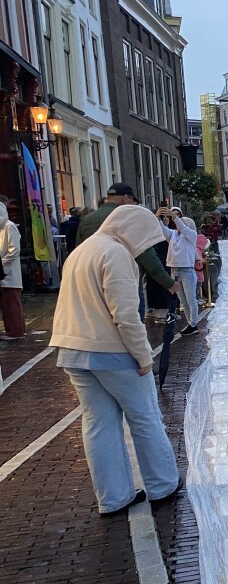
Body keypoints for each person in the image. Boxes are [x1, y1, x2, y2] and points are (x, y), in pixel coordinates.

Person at [49, 204, 181, 515]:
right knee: (145, 416)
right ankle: (163, 484)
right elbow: (125, 315)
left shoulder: (81, 252)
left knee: (98, 423)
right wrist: (143, 356)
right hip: (111, 350)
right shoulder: (116, 253)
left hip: (73, 348)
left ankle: (113, 497)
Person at [78, 184, 177, 316]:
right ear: (125, 198)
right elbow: (146, 254)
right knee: (132, 326)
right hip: (126, 282)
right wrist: (169, 283)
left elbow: (78, 252)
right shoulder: (130, 219)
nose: (133, 205)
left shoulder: (87, 219)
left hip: (96, 283)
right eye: (132, 200)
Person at [158, 206, 200, 336]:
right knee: (182, 300)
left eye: (184, 222)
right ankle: (190, 323)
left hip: (187, 270)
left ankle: (194, 324)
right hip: (174, 270)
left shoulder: (191, 235)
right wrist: (157, 218)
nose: (180, 224)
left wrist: (175, 217)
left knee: (191, 299)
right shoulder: (173, 234)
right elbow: (163, 230)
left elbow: (183, 227)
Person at [0, 198, 25, 339]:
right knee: (7, 303)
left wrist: (3, 264)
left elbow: (14, 250)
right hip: (4, 271)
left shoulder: (9, 227)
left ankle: (16, 331)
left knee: (12, 302)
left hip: (9, 271)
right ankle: (12, 329)